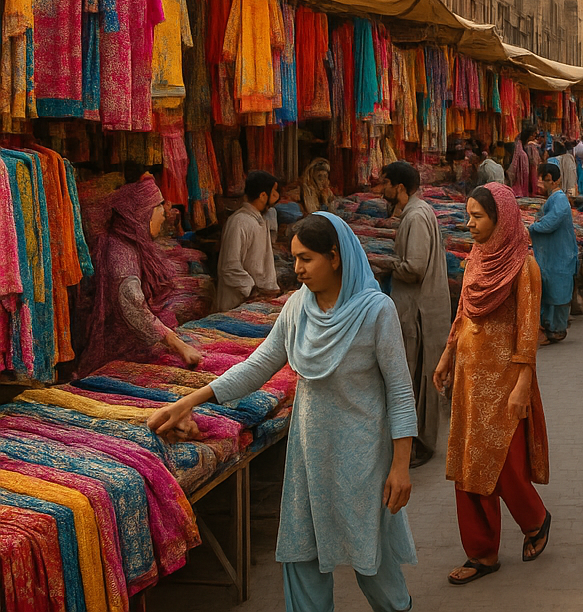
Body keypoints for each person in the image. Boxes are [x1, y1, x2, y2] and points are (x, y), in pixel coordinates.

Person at [149, 213, 417, 612]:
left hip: (362, 458)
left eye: (307, 259)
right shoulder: (297, 309)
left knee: (371, 557)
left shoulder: (376, 311)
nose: (298, 269)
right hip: (308, 456)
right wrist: (192, 399)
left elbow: (399, 392)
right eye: (294, 258)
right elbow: (257, 366)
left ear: (335, 257)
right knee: (301, 552)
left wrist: (400, 466)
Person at [435, 184, 552, 584]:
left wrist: (523, 383)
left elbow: (527, 331)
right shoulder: (475, 261)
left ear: (501, 219)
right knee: (467, 465)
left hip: (504, 383)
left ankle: (535, 519)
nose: (469, 224)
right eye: (468, 216)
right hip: (469, 381)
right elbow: (463, 312)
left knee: (503, 467)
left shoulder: (524, 268)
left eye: (477, 217)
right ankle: (481, 552)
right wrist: (448, 354)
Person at [76, 176, 204, 375]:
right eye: (158, 209)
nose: (164, 217)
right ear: (142, 214)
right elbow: (134, 307)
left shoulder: (129, 244)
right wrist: (178, 345)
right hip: (117, 359)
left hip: (129, 352)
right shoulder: (120, 256)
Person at [379, 161, 452, 468]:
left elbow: (415, 268)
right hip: (418, 309)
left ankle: (422, 443)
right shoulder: (414, 214)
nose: (381, 189)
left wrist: (386, 264)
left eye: (384, 183)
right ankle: (419, 441)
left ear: (399, 187)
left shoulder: (416, 217)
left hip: (419, 311)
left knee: (419, 378)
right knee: (418, 377)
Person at [218, 170, 282, 311]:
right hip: (238, 304)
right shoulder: (239, 222)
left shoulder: (259, 220)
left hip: (257, 302)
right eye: (271, 195)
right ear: (263, 196)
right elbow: (229, 267)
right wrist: (252, 290)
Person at [530, 163, 579, 344]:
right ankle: (551, 327)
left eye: (543, 179)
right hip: (555, 255)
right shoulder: (555, 198)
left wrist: (531, 228)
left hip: (559, 255)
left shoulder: (559, 199)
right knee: (551, 290)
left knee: (557, 293)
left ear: (551, 179)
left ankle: (556, 328)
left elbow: (550, 223)